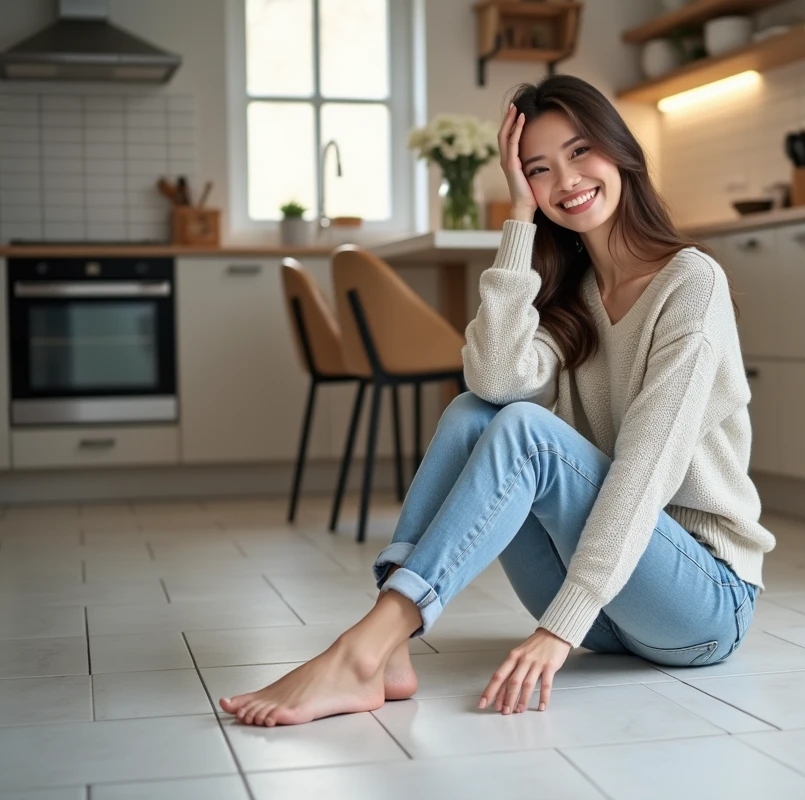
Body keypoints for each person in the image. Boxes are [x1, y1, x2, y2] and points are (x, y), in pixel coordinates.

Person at [220, 75, 775, 727]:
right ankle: (389, 643)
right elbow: (489, 379)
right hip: (606, 614)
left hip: (700, 606)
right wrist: (517, 217)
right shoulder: (572, 295)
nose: (564, 180)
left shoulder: (691, 283)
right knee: (474, 413)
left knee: (527, 434)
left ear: (619, 149)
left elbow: (647, 469)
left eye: (578, 151)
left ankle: (364, 650)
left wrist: (558, 629)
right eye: (538, 170)